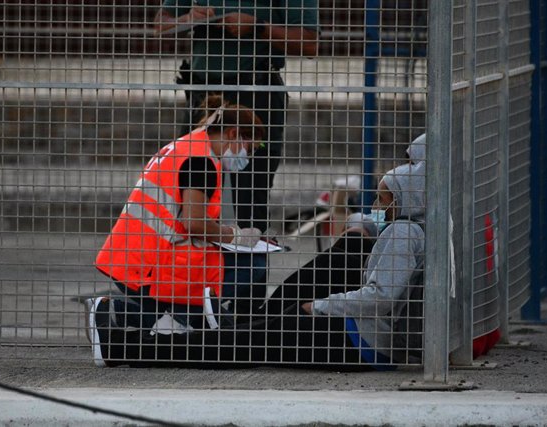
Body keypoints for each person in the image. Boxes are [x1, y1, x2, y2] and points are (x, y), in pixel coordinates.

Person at [88, 153, 427, 369]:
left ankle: (125, 347)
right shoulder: (417, 227)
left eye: (384, 199)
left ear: (405, 198)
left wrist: (319, 307)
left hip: (360, 339)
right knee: (245, 341)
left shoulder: (402, 233)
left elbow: (381, 295)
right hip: (366, 339)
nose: (378, 206)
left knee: (240, 346)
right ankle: (130, 343)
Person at [90, 95, 267, 361]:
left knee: (186, 326)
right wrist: (236, 235)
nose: (247, 156)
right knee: (253, 267)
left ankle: (150, 315)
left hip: (132, 259)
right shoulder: (202, 161)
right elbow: (193, 223)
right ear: (234, 133)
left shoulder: (186, 146)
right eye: (250, 148)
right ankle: (116, 310)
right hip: (149, 268)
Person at [153, 0, 320, 233]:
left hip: (255, 97)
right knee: (189, 188)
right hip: (203, 98)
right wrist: (187, 19)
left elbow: (310, 43)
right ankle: (191, 266)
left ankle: (248, 264)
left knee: (250, 199)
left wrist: (257, 27)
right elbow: (161, 23)